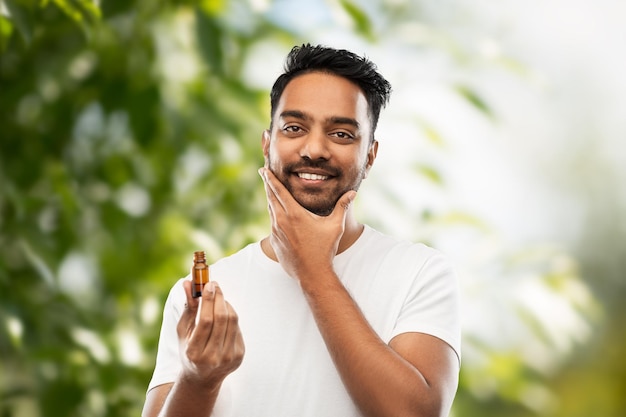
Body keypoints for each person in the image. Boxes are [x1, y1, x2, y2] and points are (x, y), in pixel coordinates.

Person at [142, 44, 461, 417]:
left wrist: (313, 270)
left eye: (341, 134)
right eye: (294, 128)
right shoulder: (207, 292)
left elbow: (416, 413)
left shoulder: (420, 273)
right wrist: (198, 378)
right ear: (267, 144)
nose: (314, 149)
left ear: (370, 156)